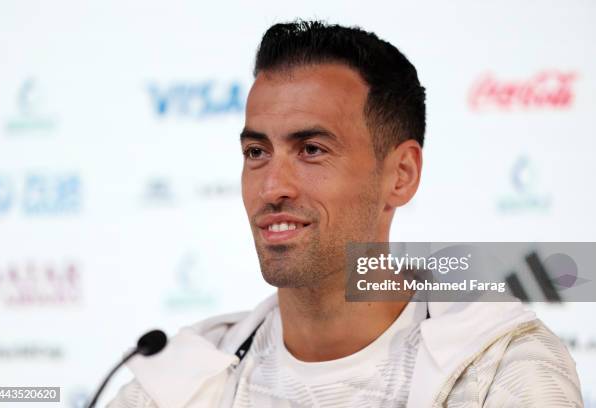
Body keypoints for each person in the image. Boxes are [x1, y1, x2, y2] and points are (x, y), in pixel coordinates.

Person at [109, 21, 582, 407]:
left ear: (401, 174)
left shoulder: (504, 371)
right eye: (256, 151)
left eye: (311, 150)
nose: (272, 187)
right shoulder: (172, 387)